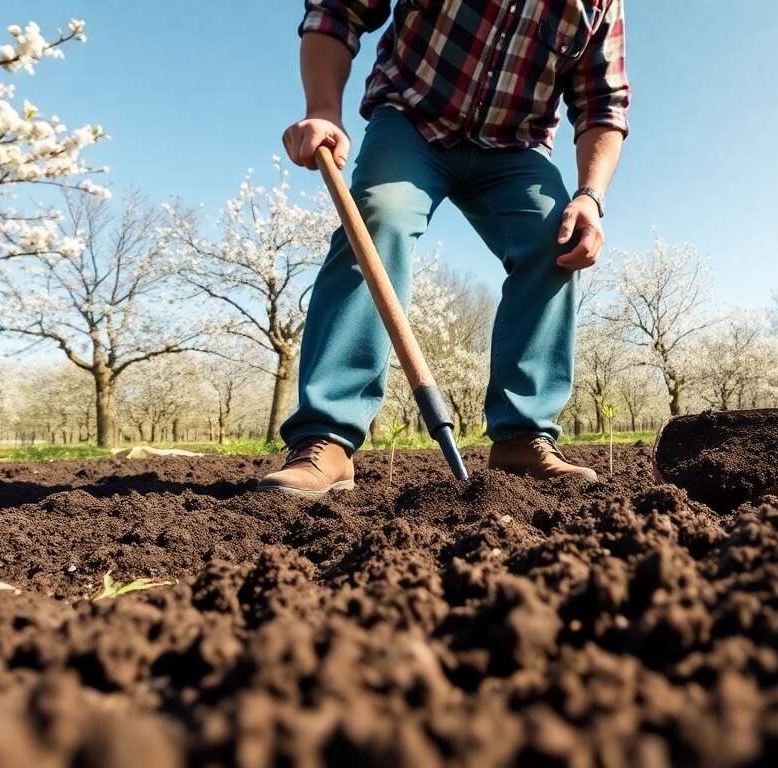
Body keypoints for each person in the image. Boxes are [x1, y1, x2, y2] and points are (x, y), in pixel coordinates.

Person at [259, 0, 629, 495]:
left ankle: (523, 436)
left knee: (556, 239)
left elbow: (602, 100)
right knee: (379, 218)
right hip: (413, 121)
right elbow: (337, 11)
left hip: (514, 148)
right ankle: (327, 437)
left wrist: (590, 196)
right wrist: (322, 110)